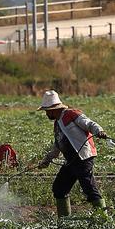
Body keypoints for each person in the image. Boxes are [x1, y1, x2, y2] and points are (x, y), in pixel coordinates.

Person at [36, 90, 110, 220]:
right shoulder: (57, 123)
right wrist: (47, 160)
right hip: (71, 161)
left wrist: (99, 131)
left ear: (54, 109)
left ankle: (104, 219)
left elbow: (89, 123)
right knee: (59, 188)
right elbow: (58, 145)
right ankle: (64, 221)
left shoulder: (71, 114)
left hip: (83, 158)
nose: (46, 113)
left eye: (47, 110)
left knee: (89, 188)